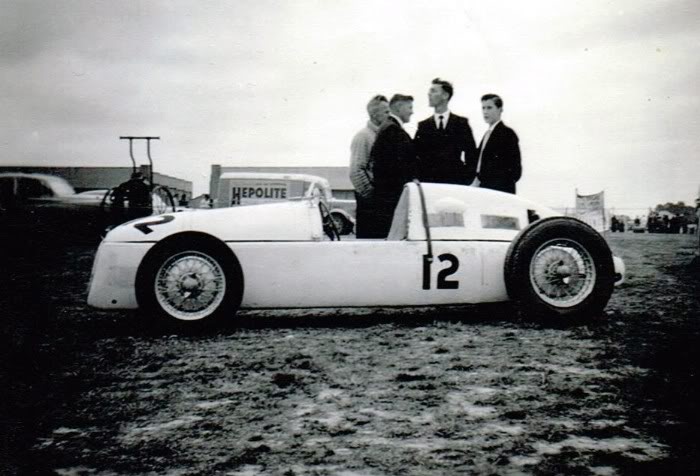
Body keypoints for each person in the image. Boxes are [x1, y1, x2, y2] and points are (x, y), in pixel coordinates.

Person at [368, 94, 419, 238]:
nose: (412, 112)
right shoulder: (393, 130)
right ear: (398, 107)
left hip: (387, 197)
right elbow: (398, 168)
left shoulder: (388, 127)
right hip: (392, 199)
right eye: (409, 107)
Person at [414, 78, 477, 184]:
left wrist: (465, 179)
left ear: (445, 95)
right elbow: (415, 155)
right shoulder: (423, 126)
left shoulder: (461, 123)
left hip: (454, 184)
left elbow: (471, 154)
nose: (429, 94)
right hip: (429, 184)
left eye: (433, 91)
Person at [349, 95, 390, 238]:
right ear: (374, 114)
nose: (389, 115)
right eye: (386, 111)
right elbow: (356, 171)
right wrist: (372, 198)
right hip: (370, 206)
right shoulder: (363, 137)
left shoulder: (384, 136)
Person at [472, 94, 522, 194]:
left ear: (500, 109)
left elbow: (515, 171)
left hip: (498, 191)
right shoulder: (487, 134)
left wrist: (496, 186)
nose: (485, 112)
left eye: (489, 108)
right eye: (483, 108)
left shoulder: (507, 134)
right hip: (483, 189)